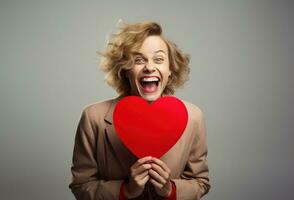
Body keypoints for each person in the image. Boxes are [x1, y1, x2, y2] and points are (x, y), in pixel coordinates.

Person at [68, 21, 210, 200]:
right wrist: (125, 190)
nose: (149, 67)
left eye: (158, 59)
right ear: (125, 70)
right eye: (138, 60)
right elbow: (81, 185)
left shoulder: (193, 117)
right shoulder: (93, 117)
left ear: (170, 70)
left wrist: (169, 190)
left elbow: (200, 182)